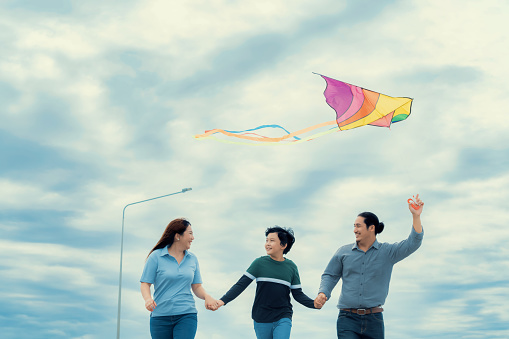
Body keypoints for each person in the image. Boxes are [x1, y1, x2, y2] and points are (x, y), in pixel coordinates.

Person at [315, 194, 425, 338]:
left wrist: (416, 216)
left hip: (374, 320)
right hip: (347, 318)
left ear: (371, 227)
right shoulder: (343, 252)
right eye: (354, 226)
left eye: (358, 226)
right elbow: (330, 275)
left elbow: (413, 243)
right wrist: (323, 293)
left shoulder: (388, 252)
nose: (355, 230)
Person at [212, 226, 321, 339]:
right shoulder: (259, 263)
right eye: (267, 240)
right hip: (261, 317)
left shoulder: (291, 267)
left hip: (283, 315)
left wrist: (313, 304)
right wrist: (222, 301)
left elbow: (298, 294)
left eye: (272, 241)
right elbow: (240, 285)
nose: (267, 244)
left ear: (283, 245)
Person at [140, 218, 217, 339]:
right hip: (160, 316)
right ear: (178, 236)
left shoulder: (192, 259)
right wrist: (148, 299)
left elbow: (196, 286)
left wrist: (207, 297)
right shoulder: (156, 257)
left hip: (186, 315)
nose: (193, 238)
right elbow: (145, 283)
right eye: (190, 233)